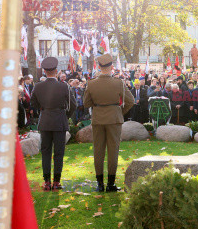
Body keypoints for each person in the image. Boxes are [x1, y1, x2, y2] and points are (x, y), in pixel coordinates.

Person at [84, 54, 134, 192]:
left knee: (98, 151)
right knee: (113, 151)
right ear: (112, 67)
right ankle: (110, 184)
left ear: (99, 67)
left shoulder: (91, 83)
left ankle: (99, 184)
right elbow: (130, 101)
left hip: (98, 119)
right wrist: (119, 112)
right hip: (114, 119)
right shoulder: (118, 83)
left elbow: (86, 103)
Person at [30, 57, 77, 191]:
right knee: (59, 152)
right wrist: (65, 115)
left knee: (45, 152)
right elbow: (73, 105)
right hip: (59, 121)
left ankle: (46, 182)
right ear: (56, 71)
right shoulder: (64, 86)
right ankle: (56, 182)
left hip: (45, 121)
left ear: (44, 71)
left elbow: (33, 104)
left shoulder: (38, 86)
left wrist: (43, 111)